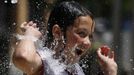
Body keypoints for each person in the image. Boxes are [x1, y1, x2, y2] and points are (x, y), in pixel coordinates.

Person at [12, 1, 117, 75]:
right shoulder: (44, 61)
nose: (87, 42)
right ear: (57, 33)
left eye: (90, 36)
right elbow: (22, 58)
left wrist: (110, 72)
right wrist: (30, 35)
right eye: (81, 33)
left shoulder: (75, 69)